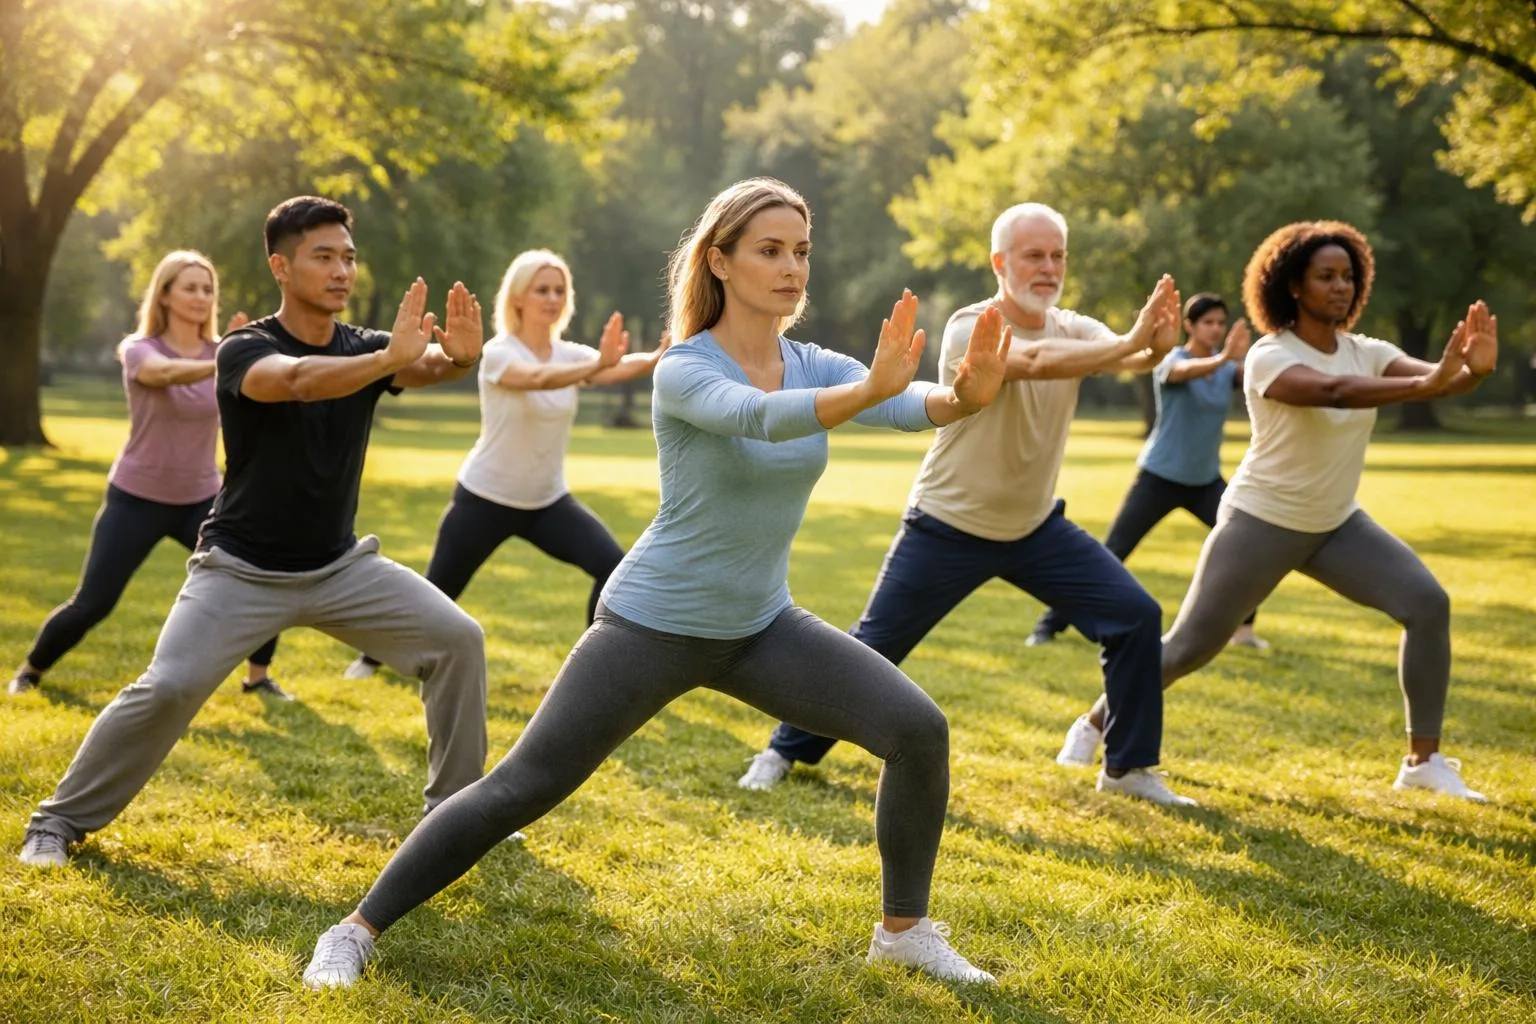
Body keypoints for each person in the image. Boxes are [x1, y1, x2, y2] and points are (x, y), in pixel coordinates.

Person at [301, 177, 1012, 990]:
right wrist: (867, 392)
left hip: (759, 628)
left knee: (917, 731)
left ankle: (904, 929)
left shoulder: (814, 361)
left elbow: (910, 404)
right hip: (652, 625)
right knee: (520, 789)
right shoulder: (684, 368)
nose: (792, 268)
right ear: (721, 260)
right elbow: (756, 415)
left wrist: (963, 397)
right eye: (770, 251)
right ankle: (353, 929)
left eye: (802, 252)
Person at [18, 196, 493, 869]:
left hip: (338, 569)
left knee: (458, 641)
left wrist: (461, 361)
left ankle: (455, 816)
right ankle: (57, 821)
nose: (341, 271)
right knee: (169, 687)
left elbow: (424, 366)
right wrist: (390, 359)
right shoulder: (245, 347)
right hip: (238, 570)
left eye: (348, 258)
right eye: (323, 256)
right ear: (281, 265)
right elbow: (296, 382)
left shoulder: (362, 346)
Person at [740, 203, 1198, 807]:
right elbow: (1028, 362)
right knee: (872, 649)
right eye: (1034, 255)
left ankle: (1127, 766)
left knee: (1135, 615)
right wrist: (1134, 346)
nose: (1048, 267)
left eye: (1058, 255)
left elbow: (1125, 353)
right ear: (1000, 262)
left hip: (1034, 528)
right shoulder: (970, 326)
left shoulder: (1075, 327)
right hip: (947, 526)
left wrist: (1152, 347)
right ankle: (781, 751)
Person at [1061, 221, 1496, 800]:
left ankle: (1424, 761)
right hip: (1260, 523)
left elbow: (1437, 382)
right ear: (1293, 285)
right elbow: (1331, 392)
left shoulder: (1369, 352)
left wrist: (1474, 372)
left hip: (1337, 523)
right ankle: (1093, 723)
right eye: (1325, 277)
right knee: (1190, 647)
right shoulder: (1270, 355)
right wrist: (1439, 379)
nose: (1340, 287)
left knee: (1426, 604)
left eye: (1348, 276)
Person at [343, 250, 668, 681]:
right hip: (485, 498)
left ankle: (591, 672)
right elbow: (537, 378)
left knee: (613, 567)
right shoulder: (498, 352)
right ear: (518, 298)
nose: (552, 298)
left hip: (547, 501)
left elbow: (616, 368)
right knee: (437, 592)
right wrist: (597, 365)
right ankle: (371, 656)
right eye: (542, 289)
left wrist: (661, 354)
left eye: (559, 290)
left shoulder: (570, 354)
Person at [8, 251, 287, 699]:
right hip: (136, 496)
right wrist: (228, 360)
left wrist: (239, 356)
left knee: (256, 570)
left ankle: (258, 677)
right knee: (94, 602)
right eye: (190, 287)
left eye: (207, 288)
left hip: (201, 497)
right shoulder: (140, 349)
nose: (200, 296)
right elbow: (165, 374)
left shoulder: (223, 351)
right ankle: (30, 670)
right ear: (165, 294)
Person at [1027, 292, 1267, 650]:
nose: (1215, 329)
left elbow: (1260, 377)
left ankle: (1243, 630)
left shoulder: (1228, 370)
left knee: (1245, 543)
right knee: (1112, 552)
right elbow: (1180, 373)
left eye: (1220, 323)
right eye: (1208, 323)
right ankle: (1048, 627)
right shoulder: (1172, 360)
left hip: (1204, 481)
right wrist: (1225, 358)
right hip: (1159, 478)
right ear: (1189, 326)